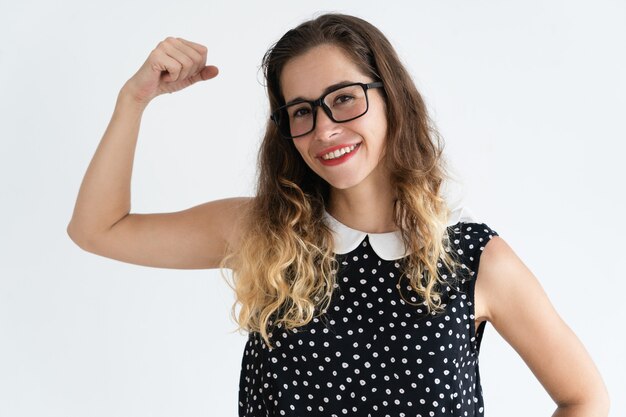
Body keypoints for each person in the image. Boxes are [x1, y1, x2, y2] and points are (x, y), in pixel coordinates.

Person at [67, 13, 609, 417]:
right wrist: (133, 100)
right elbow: (98, 230)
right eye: (301, 111)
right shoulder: (264, 234)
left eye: (344, 98)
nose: (324, 129)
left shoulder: (470, 259)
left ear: (390, 97)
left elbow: (584, 398)